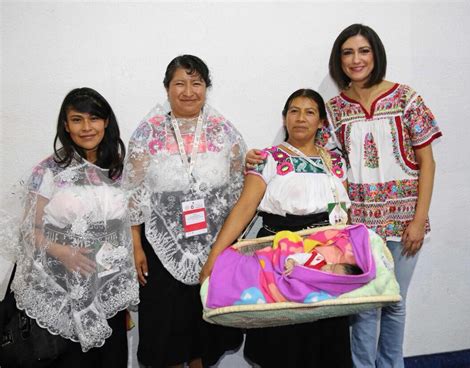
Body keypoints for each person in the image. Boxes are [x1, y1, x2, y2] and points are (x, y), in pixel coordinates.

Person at [200, 88, 352, 367]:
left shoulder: (337, 162)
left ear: (321, 123)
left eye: (310, 112)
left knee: (326, 339)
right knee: (283, 341)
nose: (301, 118)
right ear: (284, 118)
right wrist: (215, 257)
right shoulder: (267, 159)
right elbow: (244, 209)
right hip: (280, 256)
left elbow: (344, 213)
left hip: (326, 257)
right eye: (294, 111)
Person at [325, 23, 442, 368]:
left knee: (394, 301)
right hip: (359, 225)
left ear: (375, 54)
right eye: (348, 52)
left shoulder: (407, 98)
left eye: (364, 51)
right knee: (363, 304)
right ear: (339, 59)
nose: (356, 59)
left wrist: (419, 221)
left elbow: (427, 162)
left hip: (405, 222)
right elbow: (322, 161)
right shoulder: (334, 109)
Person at [1, 87, 139, 367]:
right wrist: (62, 252)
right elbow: (29, 229)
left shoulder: (120, 171)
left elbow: (130, 223)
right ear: (66, 125)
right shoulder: (49, 171)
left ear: (106, 122)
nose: (87, 127)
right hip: (62, 290)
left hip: (107, 291)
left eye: (94, 119)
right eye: (77, 120)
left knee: (111, 360)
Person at [123, 55, 246, 367]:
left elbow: (239, 189)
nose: (188, 91)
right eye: (180, 83)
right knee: (166, 334)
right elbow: (133, 194)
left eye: (196, 83)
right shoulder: (147, 133)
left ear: (206, 87)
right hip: (161, 248)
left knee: (204, 332)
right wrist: (136, 245)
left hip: (212, 248)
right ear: (167, 89)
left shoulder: (224, 132)